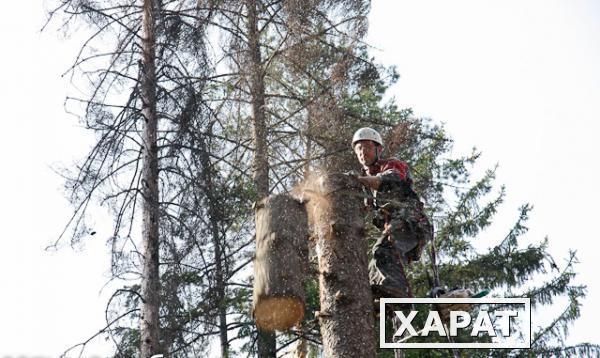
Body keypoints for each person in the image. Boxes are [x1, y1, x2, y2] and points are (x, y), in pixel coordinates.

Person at [351, 127, 433, 299]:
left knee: (383, 251)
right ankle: (387, 304)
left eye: (366, 147)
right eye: (358, 148)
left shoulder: (391, 165)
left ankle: (397, 294)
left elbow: (391, 178)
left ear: (378, 149)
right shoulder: (366, 184)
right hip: (397, 228)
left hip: (411, 223)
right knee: (376, 266)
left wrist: (362, 181)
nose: (362, 152)